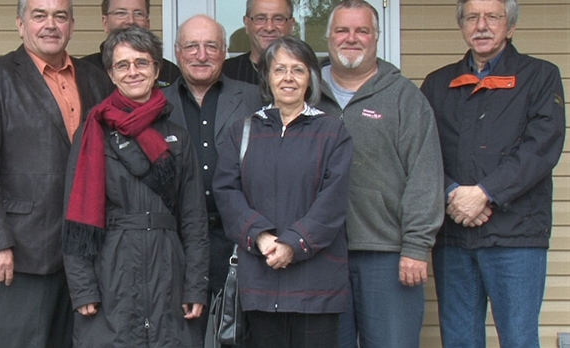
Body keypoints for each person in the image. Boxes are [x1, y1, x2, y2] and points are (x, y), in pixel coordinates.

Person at [0, 0, 112, 346]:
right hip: (20, 250)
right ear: (20, 24)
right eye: (39, 15)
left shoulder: (95, 80)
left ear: (72, 25)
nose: (50, 25)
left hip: (84, 250)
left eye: (60, 16)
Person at [420, 0, 566, 346]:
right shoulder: (438, 83)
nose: (481, 25)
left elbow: (541, 148)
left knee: (518, 338)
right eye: (472, 17)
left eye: (493, 17)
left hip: (516, 235)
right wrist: (451, 192)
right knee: (459, 340)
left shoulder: (540, 77)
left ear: (510, 27)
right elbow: (421, 153)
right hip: (453, 237)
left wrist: (484, 193)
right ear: (462, 26)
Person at [62, 26, 209, 347]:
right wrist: (83, 287)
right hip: (110, 269)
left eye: (142, 63)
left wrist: (196, 285)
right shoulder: (91, 134)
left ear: (156, 69)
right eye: (122, 65)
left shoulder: (178, 138)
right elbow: (75, 219)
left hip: (168, 270)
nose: (133, 72)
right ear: (111, 75)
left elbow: (194, 219)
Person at [317, 1, 445, 347]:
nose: (352, 38)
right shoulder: (304, 92)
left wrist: (416, 247)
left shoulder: (405, 98)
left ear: (376, 38)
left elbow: (425, 175)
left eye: (362, 31)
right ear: (329, 36)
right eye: (343, 30)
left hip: (387, 256)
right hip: (318, 255)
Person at [213, 35, 353, 348]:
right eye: (279, 70)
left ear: (311, 79)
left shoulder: (332, 132)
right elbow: (227, 192)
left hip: (316, 283)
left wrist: (293, 243)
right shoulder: (243, 130)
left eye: (298, 70)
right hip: (260, 276)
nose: (288, 78)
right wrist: (261, 237)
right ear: (267, 77)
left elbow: (333, 201)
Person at [162, 14, 263, 345]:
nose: (201, 55)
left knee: (237, 335)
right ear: (178, 52)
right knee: (180, 335)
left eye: (211, 46)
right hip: (177, 243)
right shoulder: (157, 102)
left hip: (237, 240)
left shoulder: (254, 97)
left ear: (224, 52)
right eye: (192, 46)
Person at [83, 0, 181, 87]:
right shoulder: (84, 70)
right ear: (105, 23)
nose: (130, 21)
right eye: (121, 13)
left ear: (148, 23)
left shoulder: (171, 73)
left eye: (138, 14)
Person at [222, 0, 295, 85]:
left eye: (278, 19)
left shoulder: (307, 73)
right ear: (246, 23)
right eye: (260, 19)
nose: (269, 28)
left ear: (292, 25)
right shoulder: (226, 73)